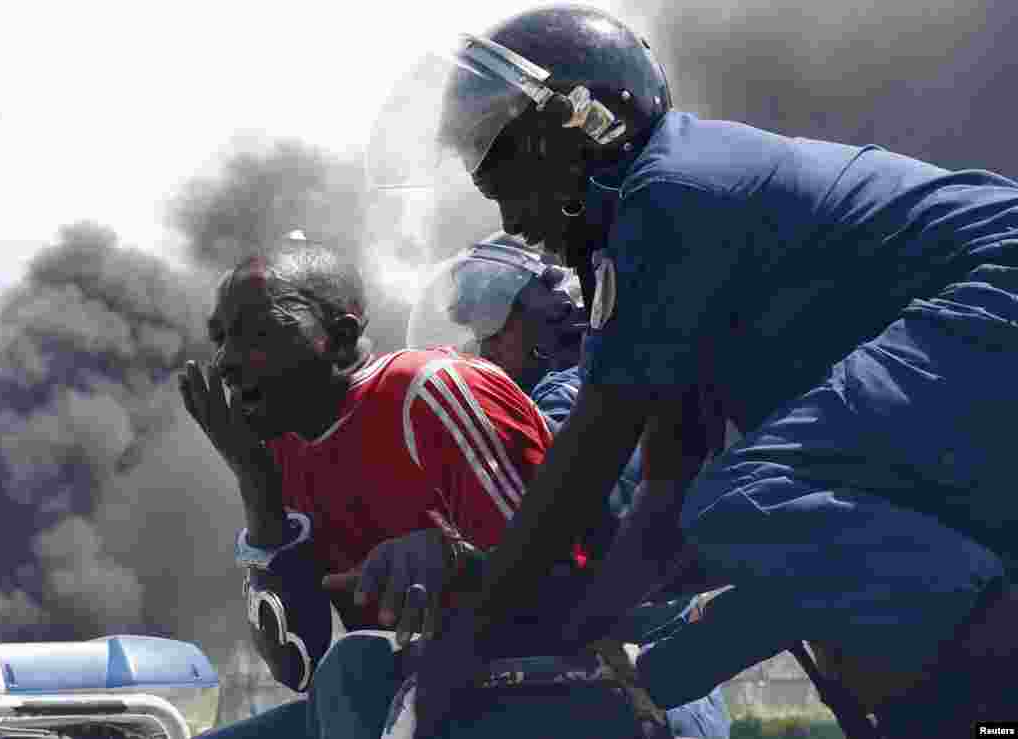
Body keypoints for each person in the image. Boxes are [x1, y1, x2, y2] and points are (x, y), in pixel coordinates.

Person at [371, 5, 1018, 737]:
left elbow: (590, 460)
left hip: (1003, 289)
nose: (514, 220)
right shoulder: (680, 249)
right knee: (814, 566)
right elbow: (663, 499)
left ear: (591, 128)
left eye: (515, 176)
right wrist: (574, 639)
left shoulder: (669, 197)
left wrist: (473, 633)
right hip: (984, 371)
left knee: (749, 499)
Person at [178, 241, 559, 738]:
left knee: (359, 661)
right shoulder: (284, 445)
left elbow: (564, 585)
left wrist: (456, 562)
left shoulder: (428, 392)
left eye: (257, 334)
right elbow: (300, 668)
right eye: (220, 338)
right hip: (395, 701)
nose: (225, 361)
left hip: (528, 695)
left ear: (339, 338)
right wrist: (257, 487)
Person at [404, 231, 732, 737]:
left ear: (547, 320)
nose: (475, 349)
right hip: (618, 675)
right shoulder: (575, 387)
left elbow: (550, 489)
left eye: (489, 326)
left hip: (631, 680)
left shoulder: (576, 393)